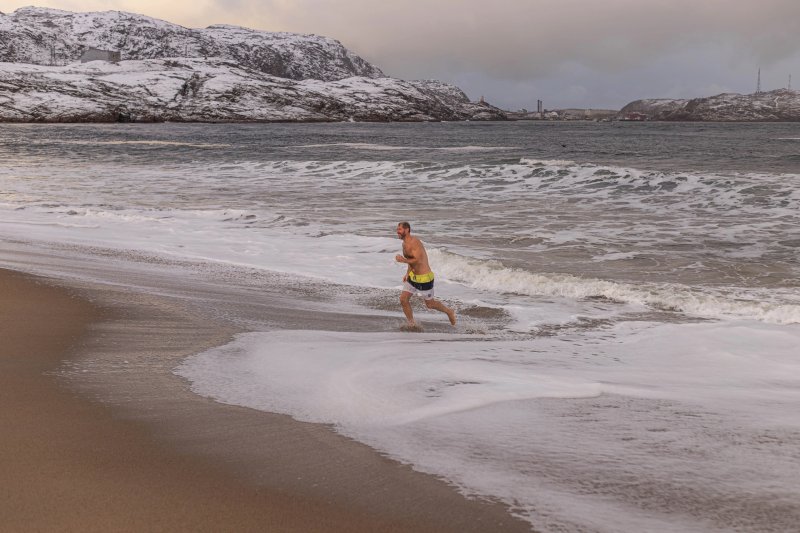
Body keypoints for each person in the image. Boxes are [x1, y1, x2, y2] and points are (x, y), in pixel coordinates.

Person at [394, 222, 456, 328]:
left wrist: (403, 260)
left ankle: (449, 311)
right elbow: (410, 260)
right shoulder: (404, 243)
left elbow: (417, 260)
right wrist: (407, 273)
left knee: (430, 305)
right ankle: (411, 323)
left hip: (424, 279)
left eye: (399, 229)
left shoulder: (415, 242)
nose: (397, 231)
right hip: (413, 277)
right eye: (397, 229)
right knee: (403, 299)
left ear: (407, 230)